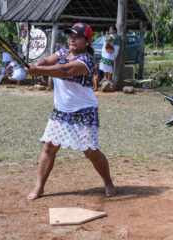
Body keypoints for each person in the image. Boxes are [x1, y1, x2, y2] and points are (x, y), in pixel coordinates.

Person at [25, 22, 116, 200]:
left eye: (78, 36)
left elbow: (64, 70)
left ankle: (108, 181)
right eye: (71, 35)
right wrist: (36, 65)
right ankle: (39, 187)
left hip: (84, 110)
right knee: (49, 147)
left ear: (87, 41)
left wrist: (39, 70)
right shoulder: (63, 52)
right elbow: (47, 60)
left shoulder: (87, 61)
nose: (72, 39)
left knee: (91, 152)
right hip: (61, 110)